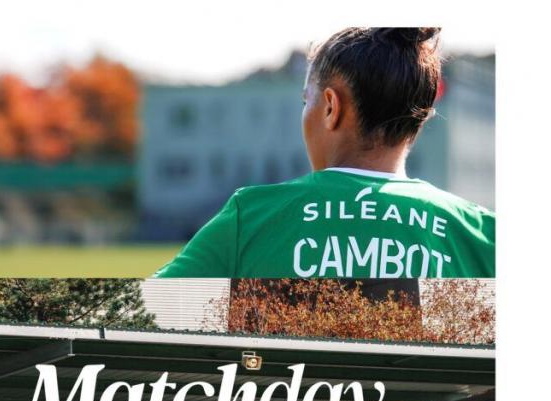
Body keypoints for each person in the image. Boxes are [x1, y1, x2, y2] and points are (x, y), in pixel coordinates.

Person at [155, 27, 494, 278]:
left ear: (331, 107)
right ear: (421, 116)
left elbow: (136, 319)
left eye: (307, 101)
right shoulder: (485, 236)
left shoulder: (250, 219)